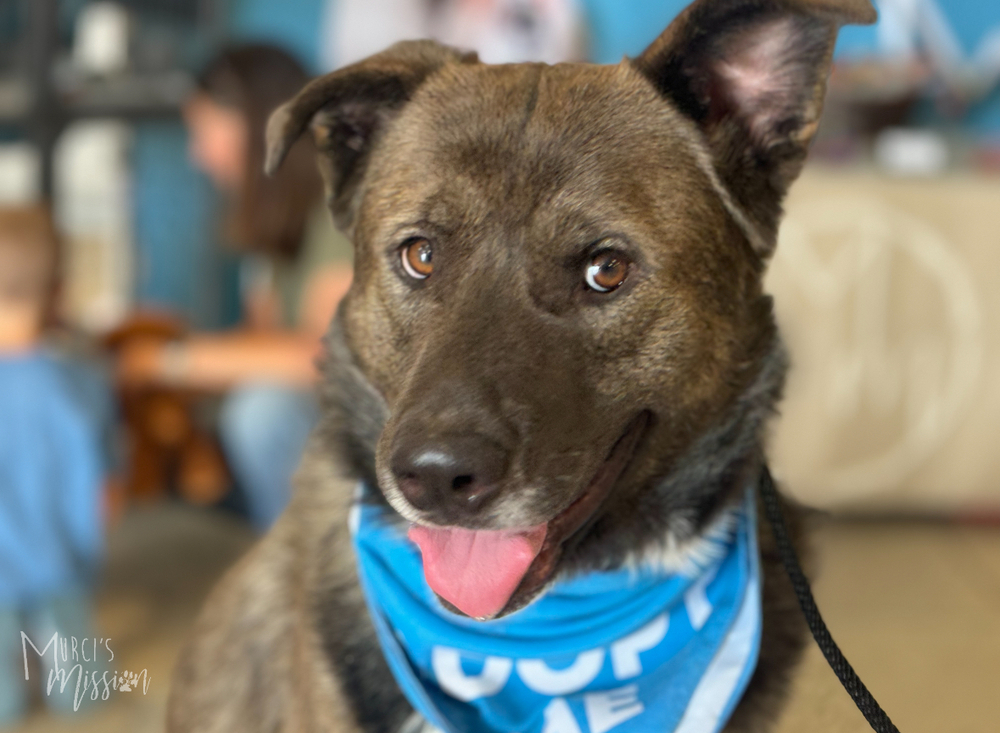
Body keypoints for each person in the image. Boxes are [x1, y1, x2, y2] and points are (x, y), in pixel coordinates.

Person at [119, 45, 353, 529]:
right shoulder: (272, 222)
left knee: (262, 411)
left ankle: (301, 573)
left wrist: (168, 360)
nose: (196, 154)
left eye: (203, 130)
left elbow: (322, 356)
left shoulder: (339, 213)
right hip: (317, 426)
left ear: (252, 124)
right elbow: (262, 338)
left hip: (373, 421)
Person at [0, 206, 105, 723]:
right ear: (59, 291)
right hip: (62, 555)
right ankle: (76, 697)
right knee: (76, 670)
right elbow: (102, 480)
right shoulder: (80, 382)